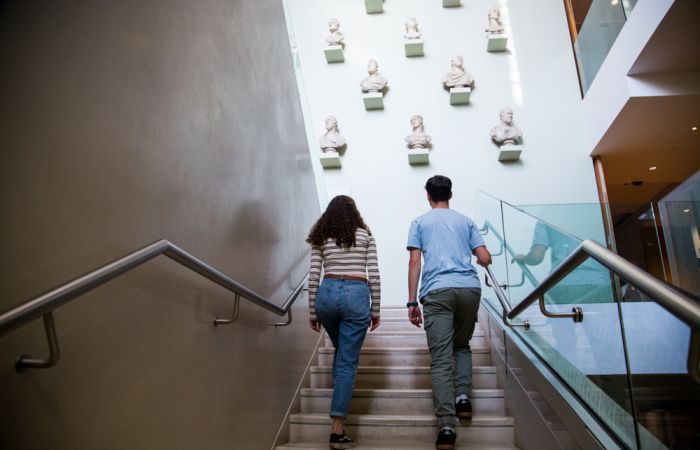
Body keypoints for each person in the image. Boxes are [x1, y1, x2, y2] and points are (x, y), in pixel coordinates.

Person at [406, 175, 492, 450]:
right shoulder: (465, 221)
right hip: (469, 288)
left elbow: (415, 261)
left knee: (441, 360)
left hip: (437, 292)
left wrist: (411, 302)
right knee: (462, 345)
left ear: (428, 196)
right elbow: (485, 258)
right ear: (450, 194)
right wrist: (473, 255)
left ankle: (446, 427)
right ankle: (463, 399)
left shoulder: (419, 222)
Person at [307, 195, 381, 450]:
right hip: (356, 293)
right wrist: (377, 309)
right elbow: (375, 274)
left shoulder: (321, 237)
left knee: (342, 351)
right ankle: (337, 431)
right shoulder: (365, 235)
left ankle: (339, 390)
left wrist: (312, 312)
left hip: (326, 294)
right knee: (348, 360)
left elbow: (314, 275)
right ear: (354, 213)